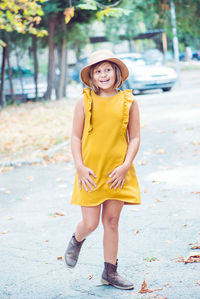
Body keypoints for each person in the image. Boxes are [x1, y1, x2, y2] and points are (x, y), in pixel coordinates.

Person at [65, 49, 141, 290]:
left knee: (112, 221)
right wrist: (80, 167)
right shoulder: (84, 100)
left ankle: (110, 272)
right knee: (91, 223)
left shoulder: (129, 100)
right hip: (90, 172)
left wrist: (125, 165)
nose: (103, 74)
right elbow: (75, 137)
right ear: (92, 76)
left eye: (107, 69)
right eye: (98, 71)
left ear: (116, 72)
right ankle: (77, 240)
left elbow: (135, 137)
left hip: (117, 171)